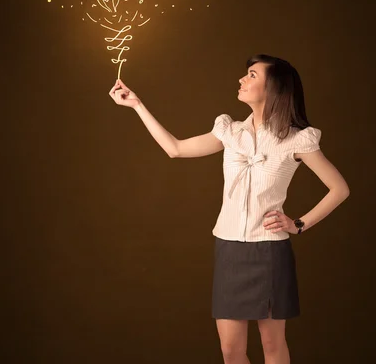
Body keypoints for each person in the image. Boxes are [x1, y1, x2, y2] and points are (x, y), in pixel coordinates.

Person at [109, 54, 350, 364]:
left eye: (251, 75)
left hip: (270, 252)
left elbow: (339, 189)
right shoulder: (229, 131)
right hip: (230, 250)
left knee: (273, 347)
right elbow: (175, 149)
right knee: (230, 351)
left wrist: (298, 223)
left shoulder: (297, 140)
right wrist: (137, 105)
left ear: (273, 87)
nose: (242, 80)